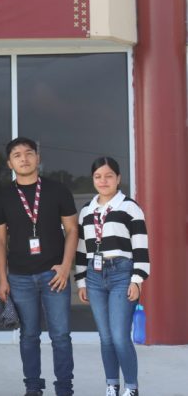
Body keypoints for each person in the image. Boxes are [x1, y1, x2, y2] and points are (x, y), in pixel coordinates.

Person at [0, 138, 79, 396]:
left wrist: (66, 267)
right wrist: (2, 278)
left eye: (29, 153)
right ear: (10, 163)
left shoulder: (57, 190)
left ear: (37, 158)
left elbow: (73, 230)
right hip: (19, 276)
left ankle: (64, 388)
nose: (24, 158)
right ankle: (33, 387)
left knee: (61, 335)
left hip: (55, 275)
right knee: (29, 336)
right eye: (17, 155)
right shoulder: (3, 196)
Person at [75, 157, 149, 396]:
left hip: (122, 274)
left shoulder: (129, 207)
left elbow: (140, 247)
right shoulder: (87, 210)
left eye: (109, 176)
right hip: (94, 277)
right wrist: (81, 280)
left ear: (118, 178)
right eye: (98, 176)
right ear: (93, 179)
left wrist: (137, 280)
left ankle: (131, 387)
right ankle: (112, 385)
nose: (103, 181)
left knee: (119, 337)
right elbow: (81, 248)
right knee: (105, 338)